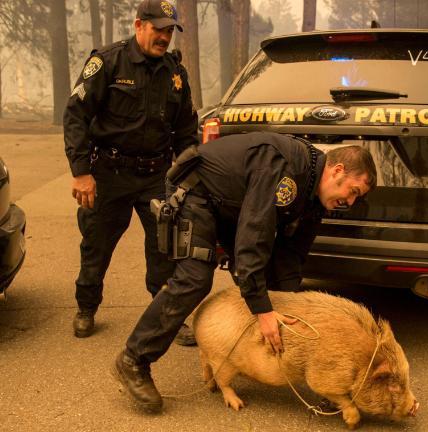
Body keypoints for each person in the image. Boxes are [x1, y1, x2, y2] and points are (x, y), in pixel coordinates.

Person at [112, 132, 377, 412]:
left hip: (230, 205)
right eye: (353, 191)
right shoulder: (284, 170)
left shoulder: (314, 195)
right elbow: (254, 236)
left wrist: (287, 314)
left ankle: (252, 354)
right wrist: (263, 311)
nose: (349, 202)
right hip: (197, 193)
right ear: (337, 171)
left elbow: (291, 257)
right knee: (194, 279)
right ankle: (133, 360)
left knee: (267, 281)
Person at [63, 0, 198, 345]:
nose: (164, 37)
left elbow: (185, 131)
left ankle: (166, 315)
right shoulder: (108, 62)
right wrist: (81, 172)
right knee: (96, 244)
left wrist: (187, 179)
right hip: (109, 171)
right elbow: (76, 115)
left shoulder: (176, 74)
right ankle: (86, 307)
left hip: (156, 175)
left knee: (165, 248)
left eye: (170, 31)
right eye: (158, 29)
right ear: (139, 25)